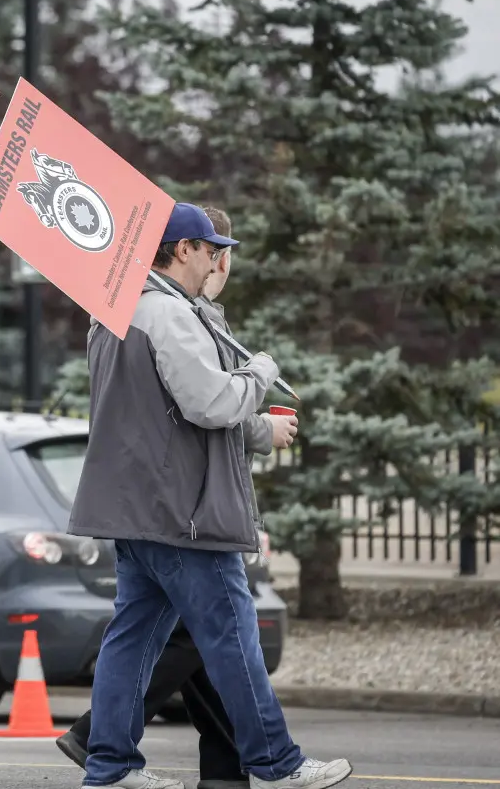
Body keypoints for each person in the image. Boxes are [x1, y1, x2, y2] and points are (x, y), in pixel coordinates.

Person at [68, 202, 350, 789]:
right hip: (184, 512)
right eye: (209, 247)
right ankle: (279, 764)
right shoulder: (168, 314)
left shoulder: (115, 310)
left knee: (132, 639)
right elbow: (209, 402)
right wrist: (259, 374)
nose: (216, 257)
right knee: (232, 639)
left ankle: (111, 765)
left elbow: (159, 412)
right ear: (183, 249)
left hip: (136, 509)